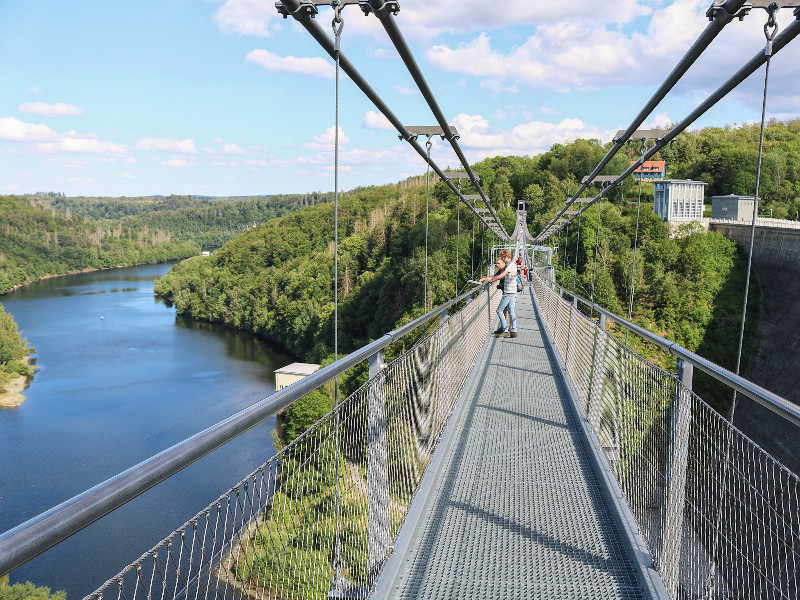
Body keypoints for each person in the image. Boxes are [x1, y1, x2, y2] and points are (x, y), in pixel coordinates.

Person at [480, 252, 518, 339]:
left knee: (499, 311)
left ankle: (505, 330)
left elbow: (503, 275)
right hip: (512, 291)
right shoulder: (512, 264)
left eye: (502, 258)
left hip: (508, 292)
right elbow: (500, 275)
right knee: (511, 312)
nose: (502, 260)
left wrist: (493, 279)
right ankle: (514, 331)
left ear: (505, 257)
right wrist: (489, 278)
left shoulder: (510, 265)